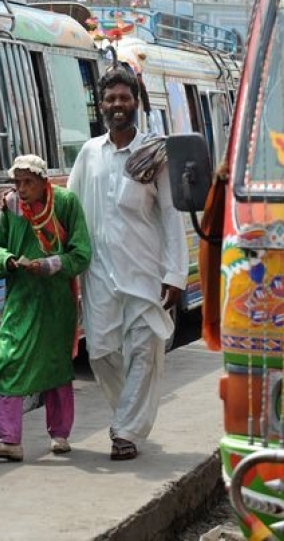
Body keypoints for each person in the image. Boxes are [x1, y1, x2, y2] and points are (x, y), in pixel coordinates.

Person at [68, 68, 188, 461]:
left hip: (145, 272)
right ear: (101, 105)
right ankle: (129, 416)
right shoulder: (89, 153)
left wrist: (175, 274)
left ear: (136, 101)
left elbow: (171, 215)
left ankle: (126, 432)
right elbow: (67, 206)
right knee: (101, 353)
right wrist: (20, 203)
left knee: (145, 348)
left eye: (124, 98)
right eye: (110, 99)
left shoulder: (154, 154)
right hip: (99, 273)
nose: (117, 105)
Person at [0, 154, 91, 462]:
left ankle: (60, 434)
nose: (22, 189)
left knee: (56, 365)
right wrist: (9, 261)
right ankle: (9, 439)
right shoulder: (11, 205)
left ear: (43, 182)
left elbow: (81, 253)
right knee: (9, 359)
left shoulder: (65, 203)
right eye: (18, 182)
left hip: (56, 299)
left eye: (28, 182)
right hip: (21, 298)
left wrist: (52, 264)